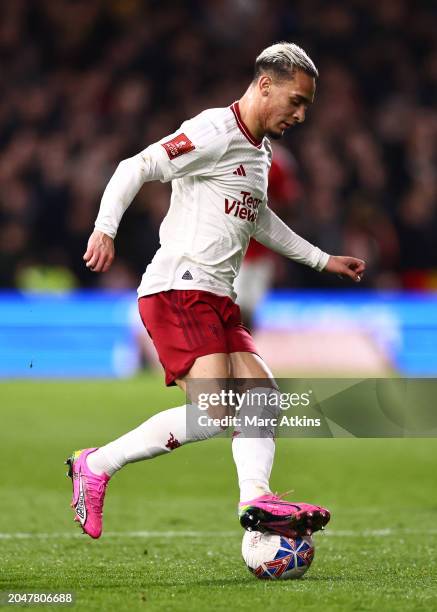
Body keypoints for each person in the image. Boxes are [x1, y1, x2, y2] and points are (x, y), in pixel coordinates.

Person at [66, 42, 365, 539]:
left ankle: (257, 500)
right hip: (179, 289)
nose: (302, 114)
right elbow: (135, 165)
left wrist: (322, 259)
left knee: (262, 398)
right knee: (216, 410)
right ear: (265, 86)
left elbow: (258, 218)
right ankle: (95, 465)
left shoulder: (261, 152)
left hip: (217, 298)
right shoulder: (213, 131)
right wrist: (105, 228)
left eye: (307, 105)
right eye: (296, 101)